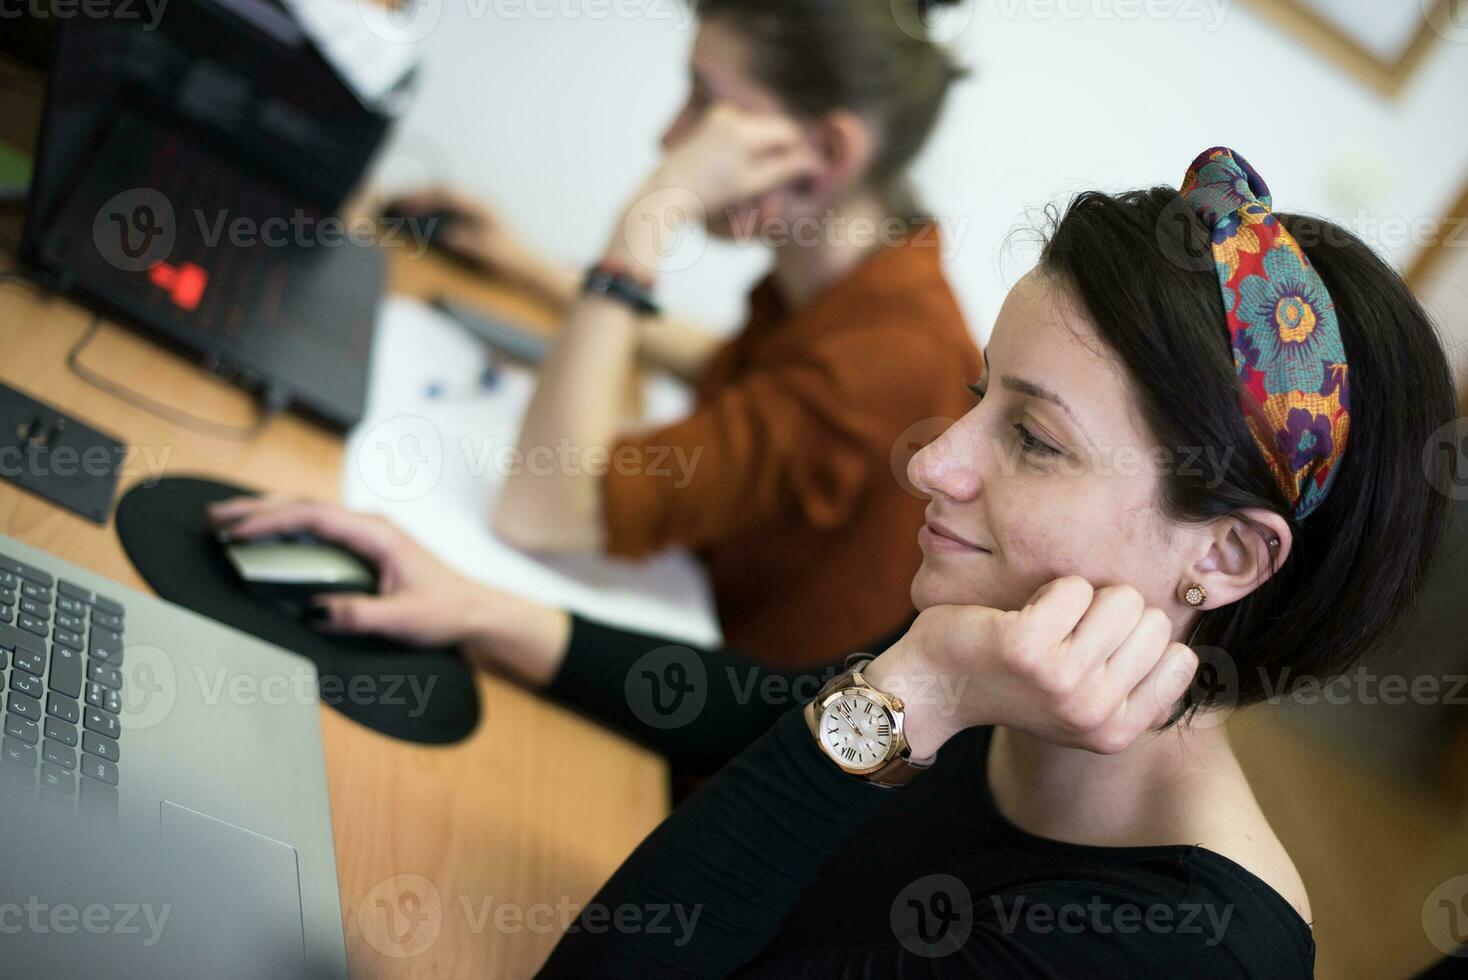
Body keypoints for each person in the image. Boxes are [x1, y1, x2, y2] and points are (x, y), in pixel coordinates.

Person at [211, 148, 1454, 974]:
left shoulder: (1174, 948)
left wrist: (919, 691)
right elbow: (766, 711)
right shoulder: (1008, 669)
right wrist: (478, 610)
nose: (934, 463)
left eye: (1029, 436)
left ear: (1226, 554)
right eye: (980, 398)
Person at [391, 0, 982, 668]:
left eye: (705, 101)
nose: (671, 137)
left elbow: (541, 508)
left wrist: (649, 217)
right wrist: (532, 273)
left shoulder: (885, 360)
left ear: (825, 151)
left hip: (715, 736)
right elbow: (752, 381)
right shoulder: (879, 286)